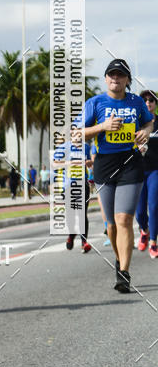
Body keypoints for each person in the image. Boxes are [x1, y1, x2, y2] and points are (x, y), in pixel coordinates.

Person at [83, 58, 153, 293]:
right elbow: (77, 134)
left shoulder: (136, 102)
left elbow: (149, 122)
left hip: (130, 163)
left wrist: (145, 132)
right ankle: (119, 257)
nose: (116, 78)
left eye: (120, 75)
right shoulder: (95, 103)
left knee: (124, 219)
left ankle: (124, 273)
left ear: (127, 80)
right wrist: (102, 127)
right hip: (104, 165)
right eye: (112, 74)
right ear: (106, 79)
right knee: (111, 225)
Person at [57, 142, 93, 254]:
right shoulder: (64, 147)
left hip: (83, 184)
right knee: (70, 214)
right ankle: (71, 234)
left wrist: (89, 163)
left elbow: (90, 162)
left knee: (82, 213)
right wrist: (70, 163)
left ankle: (84, 242)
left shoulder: (86, 146)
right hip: (68, 185)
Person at [136, 90, 158, 259]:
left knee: (154, 206)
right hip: (137, 171)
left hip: (155, 171)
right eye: (144, 100)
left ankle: (153, 242)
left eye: (151, 100)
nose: (148, 103)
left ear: (155, 104)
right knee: (140, 212)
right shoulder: (135, 123)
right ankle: (144, 230)